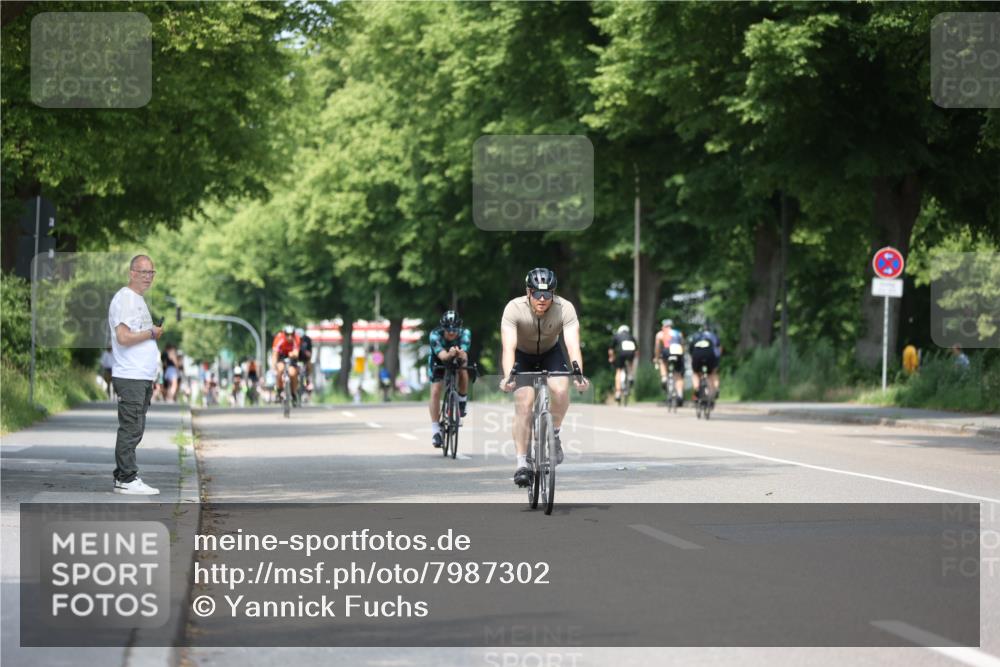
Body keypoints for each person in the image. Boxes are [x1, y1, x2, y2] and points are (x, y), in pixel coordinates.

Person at [499, 268, 588, 488]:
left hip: (551, 353)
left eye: (547, 294)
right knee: (524, 403)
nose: (542, 299)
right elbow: (508, 347)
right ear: (528, 292)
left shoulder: (565, 308)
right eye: (537, 294)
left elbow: (572, 345)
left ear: (553, 294)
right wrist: (509, 376)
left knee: (561, 390)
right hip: (522, 355)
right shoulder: (513, 308)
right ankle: (522, 464)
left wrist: (579, 374)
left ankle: (554, 433)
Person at [107, 255, 162, 495]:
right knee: (131, 428)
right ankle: (127, 478)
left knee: (135, 428)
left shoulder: (136, 299)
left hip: (140, 375)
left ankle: (123, 476)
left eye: (151, 272)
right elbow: (123, 337)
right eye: (143, 272)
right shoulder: (126, 299)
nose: (148, 277)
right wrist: (151, 333)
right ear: (131, 273)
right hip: (131, 375)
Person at [428, 310, 472, 448]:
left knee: (463, 369)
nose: (451, 333)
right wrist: (450, 354)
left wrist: (459, 354)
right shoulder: (435, 334)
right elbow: (443, 356)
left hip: (458, 356)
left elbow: (464, 354)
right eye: (448, 330)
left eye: (454, 330)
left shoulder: (465, 333)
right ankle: (436, 430)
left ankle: (462, 400)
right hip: (439, 359)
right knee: (436, 390)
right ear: (443, 328)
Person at [653, 318, 685, 406]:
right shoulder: (678, 333)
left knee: (662, 362)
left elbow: (657, 347)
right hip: (678, 351)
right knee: (678, 375)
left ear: (663, 326)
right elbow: (682, 345)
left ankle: (664, 378)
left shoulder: (660, 334)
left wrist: (656, 357)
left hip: (667, 351)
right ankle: (680, 395)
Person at [689, 326, 722, 403]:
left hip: (697, 356)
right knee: (712, 374)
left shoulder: (696, 336)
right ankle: (715, 390)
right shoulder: (714, 336)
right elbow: (719, 348)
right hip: (711, 356)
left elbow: (691, 350)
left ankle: (697, 389)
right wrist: (717, 359)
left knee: (695, 373)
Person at [271, 325, 301, 405]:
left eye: (291, 335)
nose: (290, 337)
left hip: (292, 356)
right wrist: (273, 366)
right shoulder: (279, 338)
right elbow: (275, 354)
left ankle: (293, 393)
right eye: (287, 335)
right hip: (281, 356)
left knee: (292, 373)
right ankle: (279, 390)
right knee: (280, 369)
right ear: (284, 334)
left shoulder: (296, 338)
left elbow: (296, 353)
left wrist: (292, 354)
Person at [607, 324, 637, 403]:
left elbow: (611, 350)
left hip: (621, 354)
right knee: (630, 363)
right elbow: (636, 350)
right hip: (631, 353)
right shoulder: (631, 336)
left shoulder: (616, 336)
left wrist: (611, 358)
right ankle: (630, 375)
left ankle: (618, 393)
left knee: (618, 371)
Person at [296, 327, 314, 395]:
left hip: (304, 359)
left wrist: (308, 354)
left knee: (309, 365)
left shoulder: (307, 340)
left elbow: (310, 351)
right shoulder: (293, 340)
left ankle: (309, 380)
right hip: (295, 359)